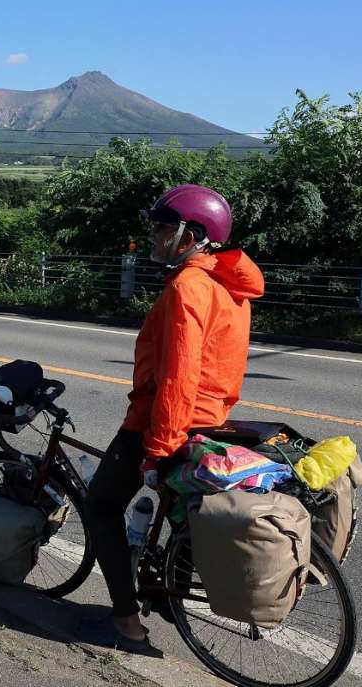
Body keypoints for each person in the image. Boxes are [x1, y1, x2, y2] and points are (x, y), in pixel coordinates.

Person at [81, 184, 265, 652]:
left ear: (192, 235)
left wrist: (158, 448)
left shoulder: (189, 286)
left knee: (101, 506)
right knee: (180, 511)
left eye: (164, 227)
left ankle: (125, 621)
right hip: (209, 418)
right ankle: (170, 590)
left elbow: (179, 373)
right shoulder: (229, 283)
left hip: (164, 419)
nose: (154, 236)